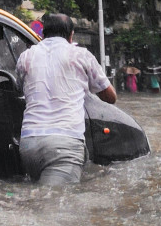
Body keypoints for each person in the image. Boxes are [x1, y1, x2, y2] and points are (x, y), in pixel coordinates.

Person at [15, 13, 116, 185]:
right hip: (64, 145)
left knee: (38, 201)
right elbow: (110, 97)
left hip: (28, 144)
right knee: (55, 205)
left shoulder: (26, 57)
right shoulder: (80, 55)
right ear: (71, 35)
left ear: (43, 34)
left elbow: (19, 88)